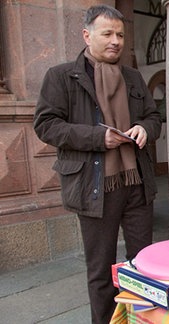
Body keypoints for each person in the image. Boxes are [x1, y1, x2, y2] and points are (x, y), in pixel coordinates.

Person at [33, 5, 161, 324]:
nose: (116, 40)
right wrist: (96, 138)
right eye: (107, 34)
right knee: (101, 271)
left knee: (144, 265)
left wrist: (145, 128)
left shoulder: (132, 76)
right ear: (87, 35)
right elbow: (46, 125)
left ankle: (143, 319)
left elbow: (152, 116)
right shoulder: (61, 76)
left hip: (137, 183)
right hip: (95, 187)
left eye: (120, 34)